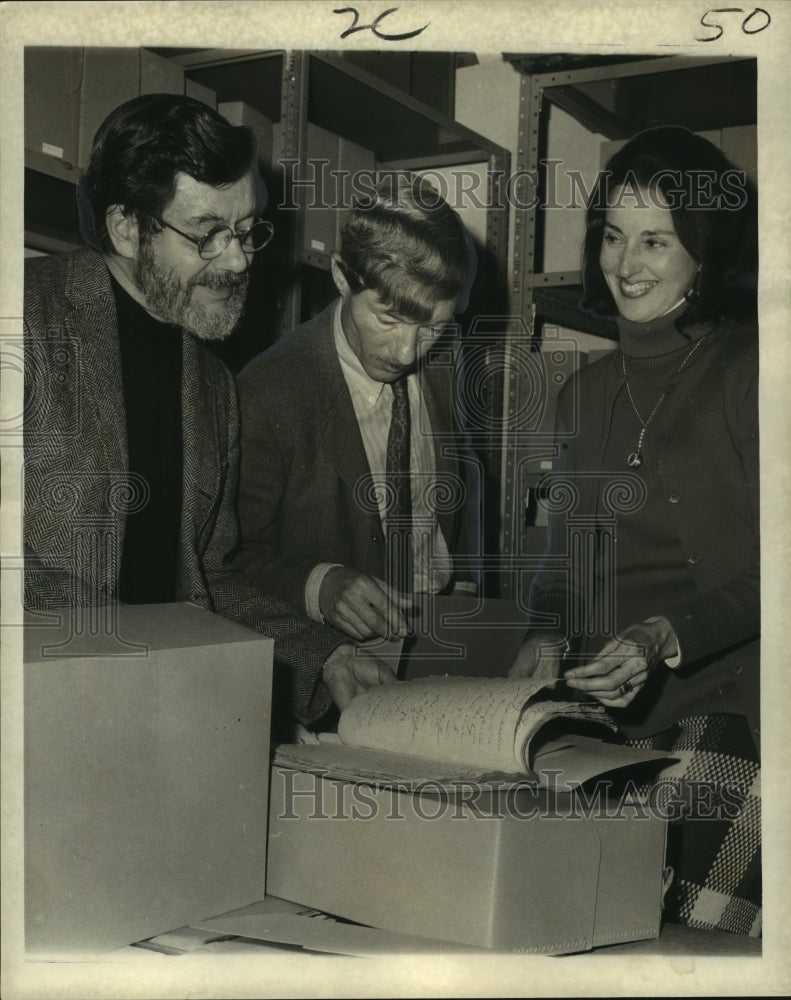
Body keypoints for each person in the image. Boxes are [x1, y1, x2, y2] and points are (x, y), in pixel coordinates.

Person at [24, 93, 396, 727]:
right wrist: (116, 642)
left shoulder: (213, 385)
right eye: (208, 235)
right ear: (125, 227)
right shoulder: (24, 324)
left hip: (156, 712)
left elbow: (208, 580)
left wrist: (323, 655)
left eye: (248, 230)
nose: (238, 259)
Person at [510, 126, 760, 935]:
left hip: (728, 706)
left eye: (656, 240)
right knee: (549, 919)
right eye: (614, 236)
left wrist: (661, 634)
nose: (627, 263)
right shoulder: (579, 393)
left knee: (679, 936)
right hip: (601, 715)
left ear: (702, 251)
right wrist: (548, 635)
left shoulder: (755, 371)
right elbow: (561, 560)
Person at [234, 175, 481, 642]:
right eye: (388, 319)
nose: (408, 353)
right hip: (332, 656)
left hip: (439, 633)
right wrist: (320, 585)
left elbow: (463, 471)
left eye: (433, 327)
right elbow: (228, 559)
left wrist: (465, 580)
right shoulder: (268, 392)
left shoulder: (447, 356)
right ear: (342, 276)